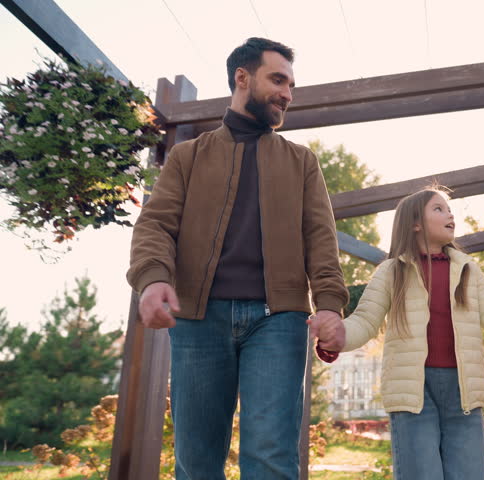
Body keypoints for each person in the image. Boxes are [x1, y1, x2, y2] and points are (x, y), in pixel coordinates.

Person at [126, 37, 348, 480]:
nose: (288, 93)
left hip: (279, 321)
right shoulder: (188, 156)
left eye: (291, 84)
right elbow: (155, 225)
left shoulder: (302, 162)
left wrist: (329, 304)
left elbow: (320, 238)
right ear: (242, 78)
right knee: (198, 459)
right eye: (278, 79)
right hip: (198, 319)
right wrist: (152, 279)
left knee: (270, 457)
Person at [314, 188, 484, 480]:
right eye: (439, 209)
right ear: (415, 223)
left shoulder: (468, 271)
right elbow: (365, 321)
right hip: (413, 393)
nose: (450, 214)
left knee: (470, 473)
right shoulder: (390, 272)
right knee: (421, 473)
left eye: (449, 209)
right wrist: (337, 337)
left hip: (462, 390)